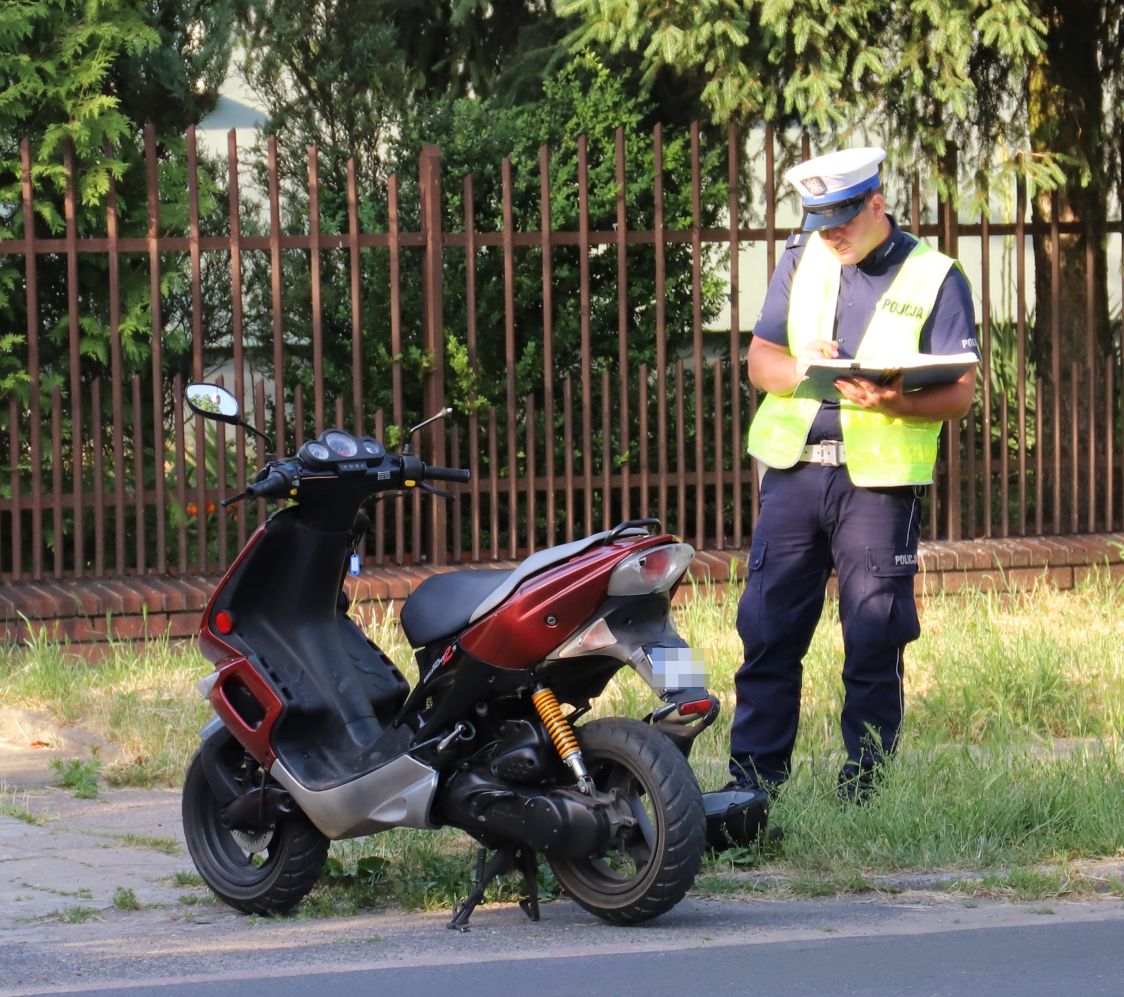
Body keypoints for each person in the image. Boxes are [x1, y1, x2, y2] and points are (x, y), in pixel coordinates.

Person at [727, 146, 979, 811]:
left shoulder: (935, 274)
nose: (829, 233)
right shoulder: (802, 258)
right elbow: (760, 358)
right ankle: (752, 790)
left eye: (841, 219)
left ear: (877, 204)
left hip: (877, 486)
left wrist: (894, 401)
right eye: (819, 220)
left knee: (874, 636)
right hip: (793, 475)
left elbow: (959, 393)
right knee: (767, 633)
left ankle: (865, 794)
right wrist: (796, 363)